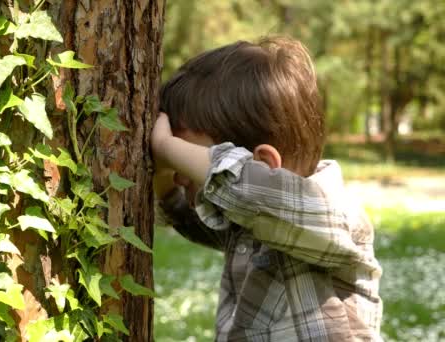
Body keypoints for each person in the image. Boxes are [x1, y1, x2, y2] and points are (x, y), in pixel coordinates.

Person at [151, 37, 382, 341]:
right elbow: (201, 221)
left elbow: (243, 186)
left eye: (186, 155)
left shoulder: (332, 215)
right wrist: (165, 185)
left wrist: (167, 146)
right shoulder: (253, 219)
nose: (181, 171)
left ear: (262, 164)